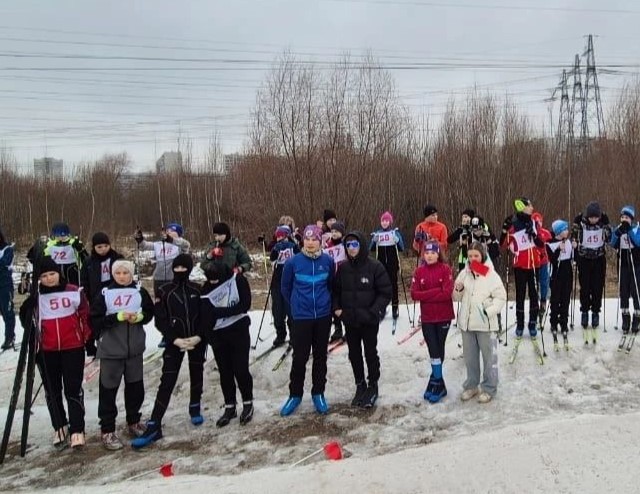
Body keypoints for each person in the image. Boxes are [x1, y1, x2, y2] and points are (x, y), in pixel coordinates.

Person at [132, 254, 205, 449]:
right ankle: (155, 423)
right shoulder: (164, 290)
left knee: (197, 373)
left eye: (184, 268)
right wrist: (175, 339)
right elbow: (160, 319)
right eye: (177, 268)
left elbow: (205, 316)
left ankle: (195, 407)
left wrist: (199, 336)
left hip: (196, 339)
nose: (180, 271)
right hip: (175, 341)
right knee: (168, 380)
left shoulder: (197, 289)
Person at [19, 257, 91, 449]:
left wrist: (86, 337)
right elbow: (25, 320)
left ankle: (77, 429)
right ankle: (59, 426)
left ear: (58, 273)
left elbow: (85, 314)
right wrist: (27, 307)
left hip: (72, 348)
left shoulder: (74, 291)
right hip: (46, 350)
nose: (49, 278)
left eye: (52, 274)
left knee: (73, 389)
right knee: (52, 391)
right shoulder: (37, 296)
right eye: (44, 276)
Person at [90, 260, 154, 451]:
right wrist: (116, 317)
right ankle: (107, 429)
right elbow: (95, 320)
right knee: (108, 391)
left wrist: (140, 317)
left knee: (135, 388)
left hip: (134, 350)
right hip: (111, 350)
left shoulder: (139, 291)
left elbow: (150, 312)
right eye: (118, 273)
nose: (122, 276)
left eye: (125, 273)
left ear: (131, 274)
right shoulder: (105, 293)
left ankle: (133, 421)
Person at [280, 225, 334, 416]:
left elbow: (331, 285)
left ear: (320, 241)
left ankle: (318, 393)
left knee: (320, 357)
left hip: (322, 316)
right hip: (301, 318)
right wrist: (295, 307)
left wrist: (327, 306)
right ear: (303, 241)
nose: (310, 243)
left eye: (314, 239)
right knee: (300, 357)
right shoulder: (293, 262)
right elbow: (285, 289)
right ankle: (295, 394)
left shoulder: (328, 261)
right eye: (307, 239)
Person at [333, 231, 391, 408]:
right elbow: (335, 291)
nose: (351, 248)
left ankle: (373, 384)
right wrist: (337, 310)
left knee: (370, 352)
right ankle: (360, 384)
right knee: (354, 354)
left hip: (369, 320)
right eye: (348, 245)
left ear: (362, 246)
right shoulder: (342, 268)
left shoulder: (375, 266)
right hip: (350, 320)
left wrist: (374, 311)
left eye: (355, 245)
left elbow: (386, 292)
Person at [200, 261, 254, 427]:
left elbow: (244, 305)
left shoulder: (238, 281)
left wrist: (220, 312)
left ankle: (248, 403)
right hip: (218, 335)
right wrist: (210, 338)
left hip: (239, 331)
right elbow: (205, 314)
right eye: (211, 281)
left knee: (241, 369)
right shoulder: (206, 288)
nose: (214, 283)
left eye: (217, 280)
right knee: (225, 372)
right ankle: (230, 406)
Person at [453, 242, 506, 404]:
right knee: (470, 358)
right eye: (470, 256)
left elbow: (501, 297)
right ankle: (471, 385)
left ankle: (489, 387)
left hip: (485, 325)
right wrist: (458, 290)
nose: (472, 259)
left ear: (482, 256)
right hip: (467, 324)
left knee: (489, 358)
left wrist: (488, 311)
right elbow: (456, 297)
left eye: (476, 255)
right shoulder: (464, 273)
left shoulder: (490, 274)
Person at [410, 240, 454, 403]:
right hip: (427, 317)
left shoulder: (445, 269)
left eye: (433, 253)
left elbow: (447, 293)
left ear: (438, 254)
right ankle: (438, 382)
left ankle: (436, 382)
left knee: (438, 349)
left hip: (443, 316)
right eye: (427, 253)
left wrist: (427, 295)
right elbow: (414, 295)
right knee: (433, 349)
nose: (429, 255)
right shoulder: (419, 271)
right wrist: (436, 291)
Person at [500, 197, 543, 341]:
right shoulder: (514, 223)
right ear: (523, 207)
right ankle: (520, 324)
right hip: (520, 265)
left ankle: (532, 323)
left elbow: (541, 244)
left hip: (534, 265)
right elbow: (504, 244)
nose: (532, 208)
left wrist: (534, 234)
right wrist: (504, 229)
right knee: (520, 295)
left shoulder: (534, 222)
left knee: (534, 294)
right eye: (529, 205)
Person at [571, 201, 611, 343]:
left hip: (599, 259)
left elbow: (609, 237)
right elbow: (573, 237)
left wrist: (606, 224)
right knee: (585, 287)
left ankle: (595, 311)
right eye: (591, 217)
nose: (593, 220)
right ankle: (584, 311)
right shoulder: (581, 223)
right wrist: (574, 242)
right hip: (584, 259)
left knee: (597, 287)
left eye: (596, 217)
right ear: (588, 216)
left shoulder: (602, 222)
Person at [80, 232, 123, 357]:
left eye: (105, 246)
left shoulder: (117, 258)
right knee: (96, 321)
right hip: (95, 297)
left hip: (114, 296)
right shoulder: (88, 261)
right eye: (99, 247)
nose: (103, 249)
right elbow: (84, 280)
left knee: (113, 321)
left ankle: (116, 345)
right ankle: (94, 347)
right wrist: (85, 295)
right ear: (94, 247)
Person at [135, 223, 191, 295]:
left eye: (171, 230)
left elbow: (186, 244)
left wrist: (170, 239)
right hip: (159, 279)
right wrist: (140, 239)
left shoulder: (181, 244)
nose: (168, 232)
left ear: (178, 233)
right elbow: (144, 246)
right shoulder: (159, 244)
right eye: (167, 230)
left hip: (174, 279)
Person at [370, 211, 405, 321]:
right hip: (380, 264)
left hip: (392, 263)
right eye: (382, 221)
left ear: (390, 222)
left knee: (393, 285)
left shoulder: (394, 232)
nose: (384, 223)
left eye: (386, 221)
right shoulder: (378, 233)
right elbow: (371, 249)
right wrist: (374, 241)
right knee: (380, 286)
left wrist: (397, 240)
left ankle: (395, 308)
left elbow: (401, 248)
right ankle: (382, 308)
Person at [610, 206, 640, 335]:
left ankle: (637, 317)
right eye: (622, 217)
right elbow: (612, 243)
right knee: (624, 291)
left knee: (636, 290)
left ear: (631, 219)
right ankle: (625, 317)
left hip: (636, 265)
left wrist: (629, 232)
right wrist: (618, 233)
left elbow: (638, 242)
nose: (624, 220)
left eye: (627, 218)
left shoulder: (636, 229)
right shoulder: (618, 229)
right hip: (623, 265)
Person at [269, 226, 300, 347]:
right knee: (277, 311)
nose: (280, 238)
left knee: (291, 311)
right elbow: (272, 258)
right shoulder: (276, 247)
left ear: (287, 236)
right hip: (277, 282)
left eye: (282, 235)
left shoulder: (294, 246)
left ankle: (294, 336)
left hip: (291, 283)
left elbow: (299, 257)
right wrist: (276, 250)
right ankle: (280, 334)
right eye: (278, 236)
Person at [546, 220, 574, 351]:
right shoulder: (551, 243)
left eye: (567, 229)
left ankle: (564, 322)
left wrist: (575, 247)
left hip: (567, 272)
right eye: (564, 230)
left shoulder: (568, 242)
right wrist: (558, 249)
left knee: (565, 299)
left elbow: (573, 258)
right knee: (555, 299)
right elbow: (552, 260)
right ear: (558, 232)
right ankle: (553, 322)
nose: (567, 231)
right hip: (556, 274)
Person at [324, 221, 347, 343]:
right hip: (332, 278)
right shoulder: (328, 245)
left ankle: (349, 327)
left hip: (344, 278)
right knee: (334, 304)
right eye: (332, 232)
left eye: (336, 232)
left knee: (345, 303)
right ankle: (338, 328)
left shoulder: (345, 244)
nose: (334, 234)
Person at [532, 212, 553, 325]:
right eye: (535, 222)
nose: (538, 224)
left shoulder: (546, 233)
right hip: (533, 263)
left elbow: (550, 247)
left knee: (544, 282)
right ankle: (534, 304)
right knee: (534, 284)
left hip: (544, 262)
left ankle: (543, 301)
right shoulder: (530, 233)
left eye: (539, 221)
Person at [0, 227, 16, 350]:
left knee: (8, 311)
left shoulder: (7, 249)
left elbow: (5, 263)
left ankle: (9, 337)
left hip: (5, 285)